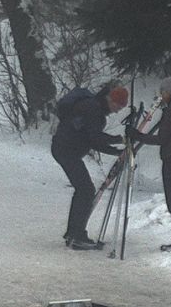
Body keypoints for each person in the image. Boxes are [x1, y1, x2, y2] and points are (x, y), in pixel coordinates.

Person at [127, 76, 171, 254]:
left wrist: (137, 135)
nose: (161, 95)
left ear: (169, 91)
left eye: (163, 92)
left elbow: (162, 138)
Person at [51, 85, 129, 250]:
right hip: (66, 150)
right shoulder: (94, 110)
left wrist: (115, 148)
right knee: (86, 190)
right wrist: (117, 143)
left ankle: (74, 233)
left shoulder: (94, 107)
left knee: (83, 189)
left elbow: (91, 138)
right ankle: (76, 235)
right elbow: (94, 138)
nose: (116, 111)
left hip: (65, 149)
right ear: (110, 99)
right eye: (117, 106)